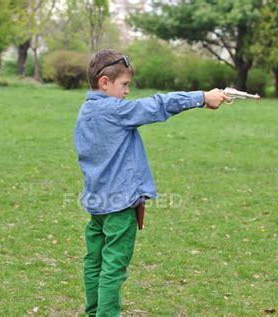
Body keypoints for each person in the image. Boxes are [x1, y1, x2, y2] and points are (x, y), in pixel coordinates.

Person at [74, 49, 230, 316]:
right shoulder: (115, 111)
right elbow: (158, 105)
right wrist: (202, 98)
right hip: (119, 208)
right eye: (124, 85)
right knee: (113, 267)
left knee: (94, 262)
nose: (126, 91)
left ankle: (93, 312)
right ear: (104, 82)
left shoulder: (86, 110)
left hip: (97, 204)